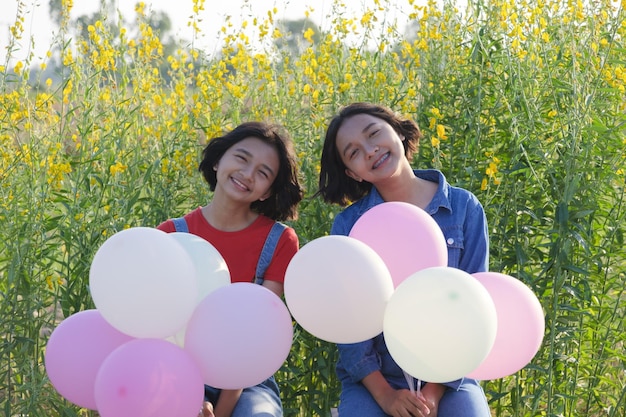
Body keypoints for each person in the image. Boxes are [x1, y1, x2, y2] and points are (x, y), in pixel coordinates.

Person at [317, 102, 491, 417]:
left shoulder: (465, 208)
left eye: (374, 134)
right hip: (375, 378)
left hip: (450, 374)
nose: (369, 151)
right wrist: (386, 397)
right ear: (351, 172)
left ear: (398, 130)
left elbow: (475, 305)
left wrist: (434, 392)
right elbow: (347, 323)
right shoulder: (348, 226)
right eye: (354, 152)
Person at [157, 121, 304, 417]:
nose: (248, 174)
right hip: (175, 369)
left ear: (267, 192)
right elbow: (156, 327)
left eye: (263, 173)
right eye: (241, 158)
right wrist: (186, 392)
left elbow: (253, 338)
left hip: (247, 380)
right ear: (218, 161)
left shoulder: (279, 241)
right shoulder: (170, 235)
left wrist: (222, 412)